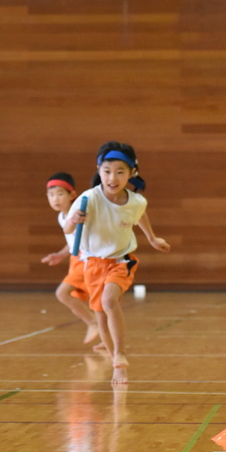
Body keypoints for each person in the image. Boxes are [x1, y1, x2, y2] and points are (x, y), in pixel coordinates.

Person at [65, 142, 170, 385]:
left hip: (122, 260)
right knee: (101, 316)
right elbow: (69, 227)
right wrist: (73, 219)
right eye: (107, 170)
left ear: (132, 173)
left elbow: (139, 213)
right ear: (98, 170)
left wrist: (152, 238)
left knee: (109, 301)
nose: (113, 177)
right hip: (92, 264)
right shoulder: (88, 198)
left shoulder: (136, 201)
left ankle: (121, 352)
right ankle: (115, 360)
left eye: (120, 171)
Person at [40, 172, 98, 345]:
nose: (55, 199)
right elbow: (73, 241)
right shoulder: (62, 217)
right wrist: (61, 254)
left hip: (86, 259)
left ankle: (93, 323)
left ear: (72, 195)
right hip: (76, 260)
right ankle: (106, 335)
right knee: (77, 305)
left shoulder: (77, 214)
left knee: (62, 294)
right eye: (51, 195)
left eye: (60, 194)